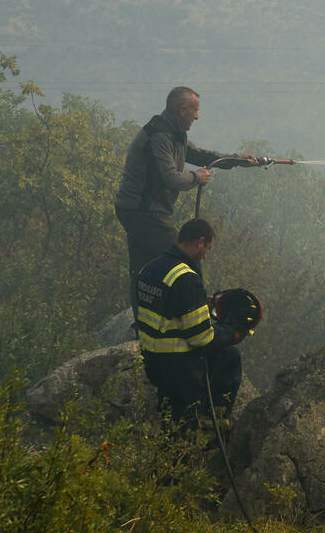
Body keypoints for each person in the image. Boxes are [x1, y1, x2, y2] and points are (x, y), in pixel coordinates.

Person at [114, 86, 256, 312]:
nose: (197, 117)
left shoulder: (174, 134)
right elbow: (171, 178)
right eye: (195, 111)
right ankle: (197, 314)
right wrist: (196, 177)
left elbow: (200, 155)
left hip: (137, 211)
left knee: (142, 267)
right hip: (141, 213)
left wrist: (237, 159)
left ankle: (144, 322)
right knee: (186, 255)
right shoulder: (160, 136)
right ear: (182, 109)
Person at [135, 218, 247, 426]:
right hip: (177, 367)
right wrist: (233, 333)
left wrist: (198, 302)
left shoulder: (150, 268)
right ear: (200, 242)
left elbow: (165, 307)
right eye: (207, 249)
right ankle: (215, 419)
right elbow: (200, 337)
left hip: (152, 361)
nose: (205, 255)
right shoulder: (187, 277)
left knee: (169, 424)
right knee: (230, 356)